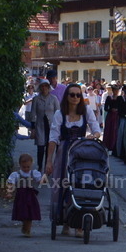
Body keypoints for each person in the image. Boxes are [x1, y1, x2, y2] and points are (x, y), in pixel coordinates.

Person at [45, 83, 101, 236]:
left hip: (81, 153)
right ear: (67, 97)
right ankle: (65, 222)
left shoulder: (86, 111)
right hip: (64, 154)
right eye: (72, 95)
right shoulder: (59, 114)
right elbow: (53, 138)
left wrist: (92, 136)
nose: (76, 97)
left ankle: (79, 224)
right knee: (63, 185)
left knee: (81, 185)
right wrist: (49, 160)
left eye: (78, 95)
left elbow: (96, 130)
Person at [7, 153, 42, 237]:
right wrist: (9, 192)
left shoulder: (33, 173)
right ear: (20, 165)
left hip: (30, 196)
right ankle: (24, 224)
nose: (26, 169)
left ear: (31, 164)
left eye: (28, 167)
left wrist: (42, 180)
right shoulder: (16, 174)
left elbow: (39, 181)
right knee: (22, 212)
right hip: (21, 196)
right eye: (24, 167)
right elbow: (10, 183)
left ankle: (28, 230)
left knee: (29, 213)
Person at [29, 79, 59, 172]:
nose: (44, 88)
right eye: (42, 86)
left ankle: (47, 166)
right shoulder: (36, 99)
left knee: (49, 147)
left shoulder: (54, 98)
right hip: (40, 125)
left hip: (51, 126)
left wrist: (58, 126)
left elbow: (58, 112)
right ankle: (39, 166)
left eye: (46, 86)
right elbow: (33, 113)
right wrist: (33, 128)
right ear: (40, 88)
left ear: (48, 87)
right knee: (40, 148)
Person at [102, 84, 121, 154]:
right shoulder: (109, 98)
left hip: (117, 116)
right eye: (115, 90)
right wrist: (111, 109)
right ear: (112, 90)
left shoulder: (120, 98)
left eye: (117, 90)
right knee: (109, 130)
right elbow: (105, 108)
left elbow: (121, 107)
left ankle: (114, 147)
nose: (116, 91)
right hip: (110, 116)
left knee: (115, 131)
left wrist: (117, 110)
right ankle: (107, 146)